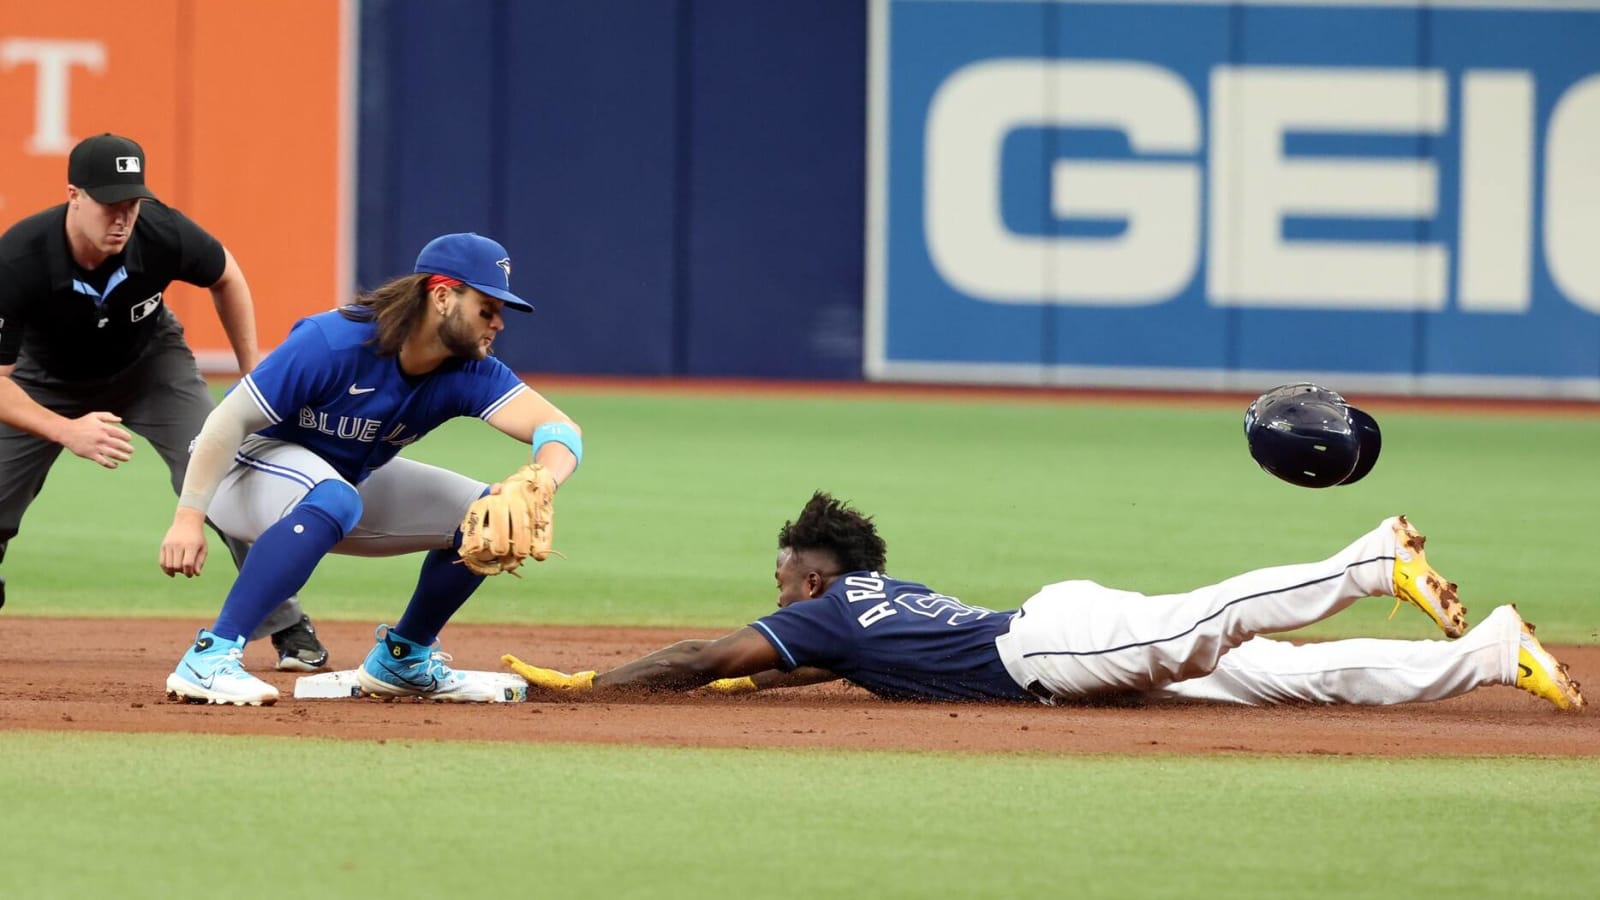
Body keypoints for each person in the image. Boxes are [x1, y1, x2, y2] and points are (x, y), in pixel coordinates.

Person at [504, 492, 1585, 713]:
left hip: (1054, 651)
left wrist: (596, 684)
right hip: (1051, 629)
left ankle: (1366, 560)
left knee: (1210, 621)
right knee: (1297, 681)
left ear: (813, 575)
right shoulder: (879, 601)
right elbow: (749, 670)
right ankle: (1490, 654)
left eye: (784, 570)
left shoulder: (827, 612)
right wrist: (733, 684)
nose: (775, 585)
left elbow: (705, 656)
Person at [159, 231, 583, 706]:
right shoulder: (335, 341)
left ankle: (403, 659)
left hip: (336, 485)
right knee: (336, 497)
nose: (498, 323)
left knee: (485, 515)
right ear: (442, 295)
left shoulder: (471, 369)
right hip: (240, 470)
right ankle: (210, 658)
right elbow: (227, 421)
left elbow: (560, 430)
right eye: (487, 308)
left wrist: (543, 480)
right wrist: (188, 517)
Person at [0, 132, 326, 669]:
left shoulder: (160, 231)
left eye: (131, 204)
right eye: (109, 205)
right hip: (46, 380)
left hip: (152, 365)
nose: (122, 219)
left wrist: (252, 378)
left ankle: (286, 621)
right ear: (73, 195)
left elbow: (228, 275)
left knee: (224, 477)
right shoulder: (20, 258)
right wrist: (66, 429)